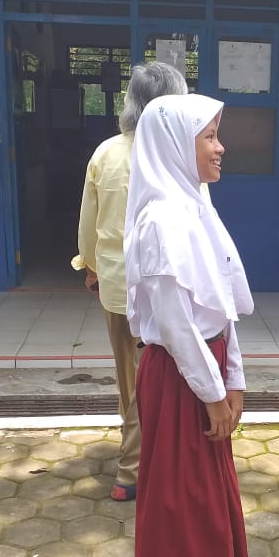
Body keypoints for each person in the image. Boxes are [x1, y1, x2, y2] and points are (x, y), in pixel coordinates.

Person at [122, 93, 253, 557]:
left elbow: (221, 307)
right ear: (176, 146)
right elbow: (176, 326)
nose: (221, 147)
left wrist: (234, 379)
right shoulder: (161, 220)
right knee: (175, 511)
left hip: (204, 374)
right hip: (180, 380)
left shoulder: (196, 204)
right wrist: (212, 392)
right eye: (209, 136)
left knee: (208, 501)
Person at [74, 61, 188, 502]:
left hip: (119, 288)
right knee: (174, 379)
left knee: (131, 381)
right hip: (170, 290)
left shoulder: (105, 153)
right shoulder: (180, 156)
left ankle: (130, 472)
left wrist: (91, 267)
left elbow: (89, 226)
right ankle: (168, 467)